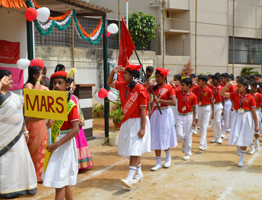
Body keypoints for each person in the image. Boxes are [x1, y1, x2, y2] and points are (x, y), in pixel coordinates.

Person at [107, 65, 151, 189]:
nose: (123, 75)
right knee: (133, 148)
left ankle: (130, 178)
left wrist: (143, 128)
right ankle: (139, 173)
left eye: (125, 73)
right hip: (128, 121)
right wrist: (113, 71)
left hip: (138, 121)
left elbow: (143, 110)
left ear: (132, 75)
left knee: (134, 149)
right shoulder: (123, 85)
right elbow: (109, 82)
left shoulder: (140, 89)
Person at [42, 71, 79, 200]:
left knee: (59, 182)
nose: (56, 86)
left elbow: (75, 130)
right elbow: (31, 117)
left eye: (60, 83)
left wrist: (57, 144)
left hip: (64, 145)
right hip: (55, 142)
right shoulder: (51, 102)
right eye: (54, 83)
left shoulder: (71, 105)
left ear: (67, 85)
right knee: (64, 181)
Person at [0, 70, 37, 199]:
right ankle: (5, 188)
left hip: (17, 135)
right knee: (5, 162)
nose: (11, 81)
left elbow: (20, 115)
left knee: (18, 159)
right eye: (8, 79)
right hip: (3, 136)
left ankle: (20, 187)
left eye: (11, 79)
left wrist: (25, 130)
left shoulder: (15, 96)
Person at [220, 78, 259, 167]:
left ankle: (242, 159)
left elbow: (253, 112)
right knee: (236, 135)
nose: (238, 88)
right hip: (237, 116)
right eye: (237, 86)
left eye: (240, 86)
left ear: (246, 87)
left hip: (247, 117)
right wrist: (228, 85)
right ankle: (238, 145)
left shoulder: (251, 98)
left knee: (244, 138)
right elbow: (221, 93)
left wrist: (256, 125)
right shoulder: (235, 95)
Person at [24, 64, 50, 183]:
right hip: (32, 122)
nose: (43, 76)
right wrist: (38, 81)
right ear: (34, 75)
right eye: (40, 74)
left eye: (43, 74)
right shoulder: (28, 86)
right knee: (34, 147)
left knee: (43, 146)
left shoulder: (43, 87)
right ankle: (33, 175)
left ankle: (42, 174)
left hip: (42, 121)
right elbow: (34, 97)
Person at [147, 68, 177, 171]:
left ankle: (168, 157)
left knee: (164, 136)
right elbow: (142, 89)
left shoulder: (169, 88)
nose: (157, 79)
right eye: (156, 77)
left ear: (164, 77)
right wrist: (147, 83)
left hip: (165, 113)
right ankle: (158, 162)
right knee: (155, 136)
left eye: (159, 77)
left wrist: (160, 100)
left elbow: (174, 102)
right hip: (155, 113)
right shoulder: (154, 88)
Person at [68, 78, 93, 170]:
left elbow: (79, 109)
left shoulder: (75, 98)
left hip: (78, 124)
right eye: (73, 85)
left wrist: (82, 118)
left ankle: (80, 164)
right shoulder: (66, 98)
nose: (74, 87)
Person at [176, 78, 197, 160]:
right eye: (181, 85)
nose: (181, 87)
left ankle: (188, 153)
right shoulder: (178, 93)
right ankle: (184, 143)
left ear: (189, 86)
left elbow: (194, 109)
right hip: (179, 115)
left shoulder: (193, 96)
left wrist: (194, 120)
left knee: (188, 134)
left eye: (183, 85)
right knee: (179, 134)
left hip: (188, 116)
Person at [192, 75, 214, 151]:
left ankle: (201, 144)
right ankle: (204, 143)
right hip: (199, 107)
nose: (198, 82)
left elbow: (212, 102)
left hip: (206, 108)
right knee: (201, 126)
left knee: (204, 126)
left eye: (199, 80)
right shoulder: (196, 89)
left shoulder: (209, 90)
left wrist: (213, 112)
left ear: (204, 82)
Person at [248, 80, 262, 154]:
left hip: (257, 112)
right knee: (250, 129)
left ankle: (256, 142)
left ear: (254, 86)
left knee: (256, 129)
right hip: (248, 112)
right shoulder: (247, 95)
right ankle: (251, 146)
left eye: (250, 86)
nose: (249, 87)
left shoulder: (259, 95)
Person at [209, 74, 224, 144]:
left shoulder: (222, 88)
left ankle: (219, 137)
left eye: (214, 80)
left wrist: (223, 109)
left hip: (218, 105)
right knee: (213, 122)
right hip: (212, 106)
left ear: (218, 81)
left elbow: (223, 98)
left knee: (218, 121)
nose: (213, 81)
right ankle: (215, 137)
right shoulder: (210, 87)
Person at [221, 73, 233, 138]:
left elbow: (233, 95)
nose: (221, 79)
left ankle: (224, 131)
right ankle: (222, 129)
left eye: (222, 78)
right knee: (221, 118)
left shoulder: (230, 85)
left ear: (226, 78)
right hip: (220, 102)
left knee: (226, 117)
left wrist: (233, 105)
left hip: (227, 101)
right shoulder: (220, 84)